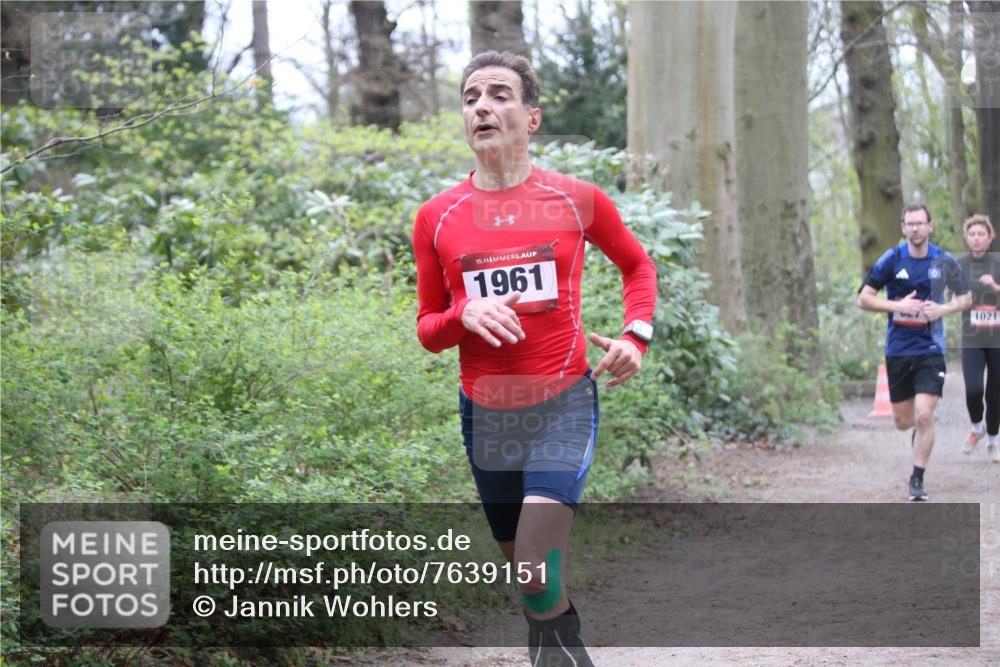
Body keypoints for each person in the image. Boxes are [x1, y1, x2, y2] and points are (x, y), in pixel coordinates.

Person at [412, 51, 657, 665]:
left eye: (499, 94)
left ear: (532, 116)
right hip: (486, 415)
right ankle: (558, 643)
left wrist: (636, 336)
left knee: (531, 568)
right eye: (470, 97)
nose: (482, 107)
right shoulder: (436, 217)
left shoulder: (576, 200)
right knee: (532, 584)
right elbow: (428, 329)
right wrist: (461, 314)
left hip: (561, 404)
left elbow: (637, 266)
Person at [857, 204, 970, 501]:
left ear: (930, 226)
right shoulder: (892, 259)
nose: (916, 228)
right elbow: (864, 299)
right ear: (903, 228)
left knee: (924, 414)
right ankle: (918, 432)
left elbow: (966, 298)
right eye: (911, 224)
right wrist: (898, 306)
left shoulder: (943, 260)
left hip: (930, 348)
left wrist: (943, 309)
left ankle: (917, 479)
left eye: (921, 223)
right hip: (898, 349)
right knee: (903, 421)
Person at [957, 214, 1000, 462]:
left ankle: (993, 441)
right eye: (972, 234)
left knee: (995, 394)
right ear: (967, 237)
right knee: (974, 390)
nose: (976, 238)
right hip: (972, 338)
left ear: (990, 237)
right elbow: (955, 296)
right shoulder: (959, 265)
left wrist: (995, 287)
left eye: (980, 234)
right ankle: (977, 427)